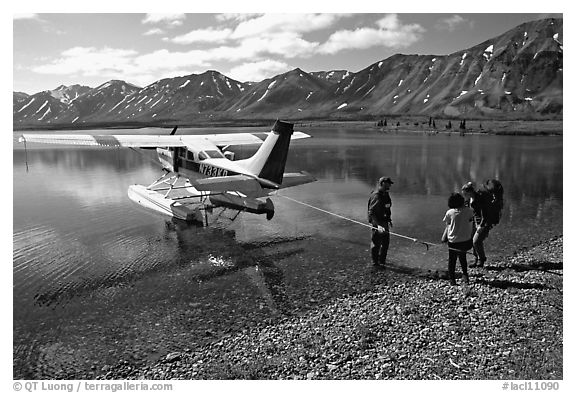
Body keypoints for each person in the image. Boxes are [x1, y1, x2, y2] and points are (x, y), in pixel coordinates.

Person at [442, 192, 474, 285]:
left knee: (452, 260)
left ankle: (452, 279)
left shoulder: (450, 213)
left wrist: (443, 238)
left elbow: (448, 226)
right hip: (466, 240)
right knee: (462, 258)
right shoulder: (470, 211)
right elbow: (471, 222)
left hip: (453, 241)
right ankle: (465, 275)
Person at [461, 181, 492, 267]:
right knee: (472, 241)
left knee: (476, 241)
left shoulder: (479, 199)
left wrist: (481, 226)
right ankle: (476, 259)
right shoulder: (469, 199)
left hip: (483, 223)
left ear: (470, 192)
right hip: (474, 222)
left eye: (465, 194)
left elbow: (485, 214)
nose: (464, 196)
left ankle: (481, 259)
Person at [368, 177, 393, 266]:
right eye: (388, 183)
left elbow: (387, 207)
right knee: (376, 244)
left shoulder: (385, 194)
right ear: (382, 183)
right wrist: (378, 225)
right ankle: (375, 263)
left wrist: (389, 220)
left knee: (385, 243)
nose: (390, 185)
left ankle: (382, 262)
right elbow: (371, 212)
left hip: (385, 222)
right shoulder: (376, 195)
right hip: (377, 223)